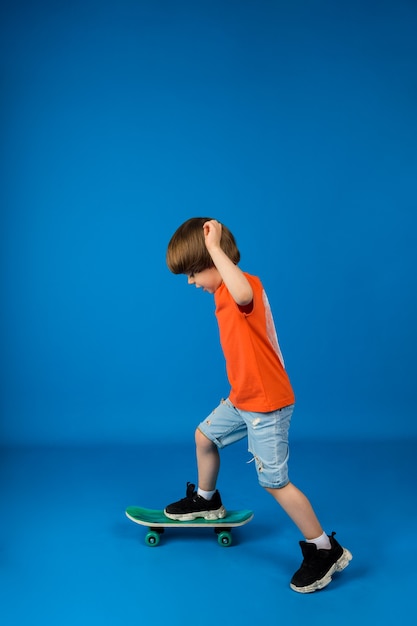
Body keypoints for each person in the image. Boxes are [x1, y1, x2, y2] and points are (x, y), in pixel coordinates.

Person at [164, 217, 352, 593]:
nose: (190, 282)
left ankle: (325, 549)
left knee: (274, 483)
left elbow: (244, 295)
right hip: (242, 400)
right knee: (204, 437)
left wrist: (215, 249)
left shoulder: (243, 286)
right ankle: (206, 500)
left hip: (267, 406)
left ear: (215, 262)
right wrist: (236, 395)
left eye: (193, 272)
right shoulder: (220, 294)